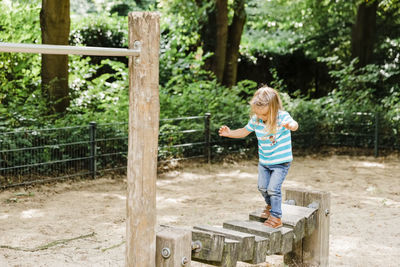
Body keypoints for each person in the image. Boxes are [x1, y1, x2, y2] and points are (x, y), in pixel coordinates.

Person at [219, 86, 298, 228]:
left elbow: (295, 125)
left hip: (281, 162)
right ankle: (270, 206)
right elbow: (243, 132)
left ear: (273, 109)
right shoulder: (256, 120)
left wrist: (291, 125)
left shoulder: (282, 117)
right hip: (264, 162)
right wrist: (229, 133)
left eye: (265, 115)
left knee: (273, 189)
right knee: (262, 187)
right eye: (258, 114)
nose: (261, 118)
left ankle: (276, 217)